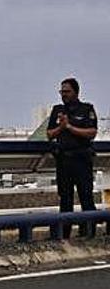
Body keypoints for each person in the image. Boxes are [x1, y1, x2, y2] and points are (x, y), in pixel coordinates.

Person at [46, 77, 98, 238]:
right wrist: (61, 127)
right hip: (64, 160)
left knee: (86, 197)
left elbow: (91, 133)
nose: (64, 95)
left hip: (82, 159)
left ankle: (88, 234)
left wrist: (69, 126)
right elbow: (49, 134)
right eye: (62, 92)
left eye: (67, 91)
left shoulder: (86, 109)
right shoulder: (57, 110)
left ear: (76, 92)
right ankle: (65, 235)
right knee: (65, 199)